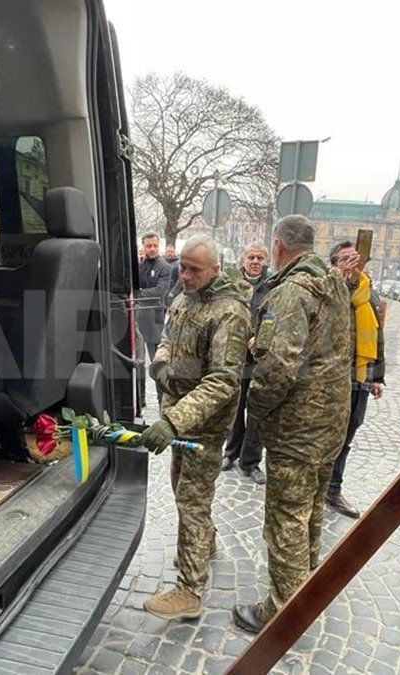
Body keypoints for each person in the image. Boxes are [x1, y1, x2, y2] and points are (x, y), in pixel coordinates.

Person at [232, 215, 352, 634]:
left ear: (278, 247)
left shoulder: (290, 292)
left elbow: (279, 367)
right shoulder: (333, 283)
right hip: (331, 421)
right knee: (311, 510)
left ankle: (283, 614)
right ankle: (307, 589)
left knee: (285, 517)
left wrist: (256, 410)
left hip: (298, 428)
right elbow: (321, 347)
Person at [139, 235, 251, 620]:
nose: (184, 275)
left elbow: (223, 381)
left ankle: (189, 591)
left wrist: (173, 421)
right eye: (183, 267)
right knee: (180, 487)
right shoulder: (185, 296)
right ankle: (205, 542)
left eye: (194, 270)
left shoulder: (230, 313)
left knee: (192, 500)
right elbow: (167, 337)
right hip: (179, 412)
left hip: (204, 426)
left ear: (216, 270)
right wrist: (161, 365)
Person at [323, 240, 386, 519]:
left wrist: (378, 375)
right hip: (329, 376)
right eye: (344, 259)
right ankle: (315, 485)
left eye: (354, 258)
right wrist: (341, 279)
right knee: (325, 433)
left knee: (349, 431)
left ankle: (333, 488)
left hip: (359, 374)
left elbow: (377, 332)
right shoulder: (326, 288)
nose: (351, 264)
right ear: (334, 264)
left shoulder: (368, 290)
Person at [222, 243, 270, 484]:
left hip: (261, 358)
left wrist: (260, 339)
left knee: (257, 410)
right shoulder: (232, 285)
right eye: (251, 257)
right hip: (235, 355)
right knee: (234, 406)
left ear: (265, 262)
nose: (255, 261)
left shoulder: (273, 287)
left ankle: (250, 462)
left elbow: (275, 317)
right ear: (243, 260)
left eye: (260, 258)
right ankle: (230, 452)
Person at [136, 233, 173, 400]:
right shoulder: (139, 265)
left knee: (157, 362)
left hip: (155, 319)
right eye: (148, 245)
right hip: (138, 317)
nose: (152, 249)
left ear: (159, 246)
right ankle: (140, 398)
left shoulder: (165, 267)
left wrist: (138, 293)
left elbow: (160, 291)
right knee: (138, 362)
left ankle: (161, 399)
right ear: (143, 246)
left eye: (154, 245)